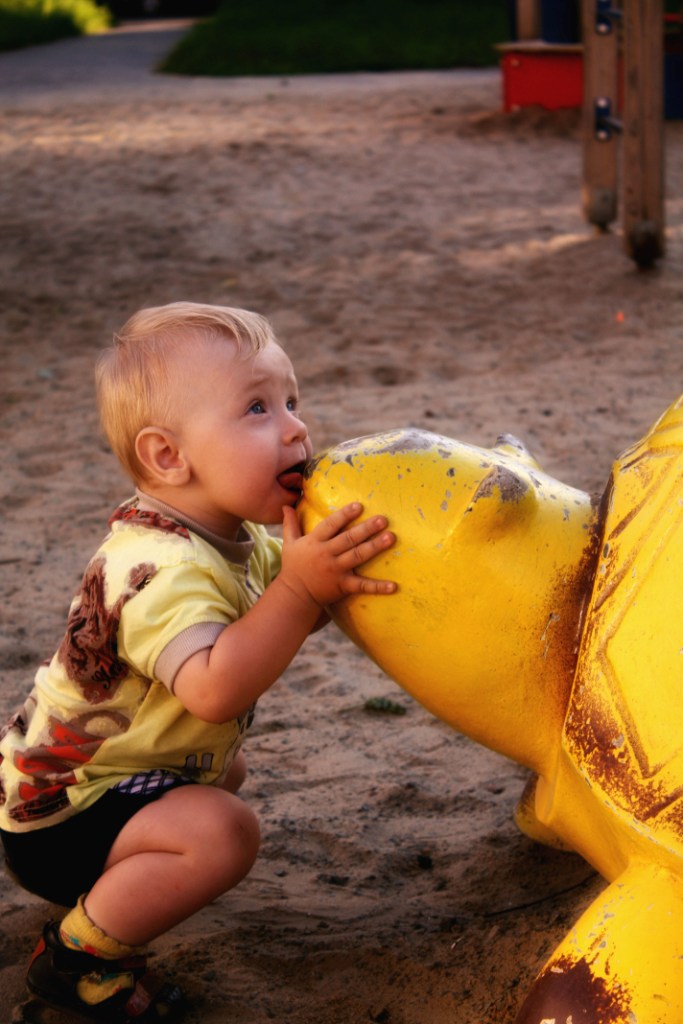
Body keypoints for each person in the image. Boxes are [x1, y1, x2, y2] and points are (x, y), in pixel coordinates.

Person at [0, 302, 397, 1023]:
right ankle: (80, 959)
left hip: (109, 778)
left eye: (290, 400)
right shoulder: (158, 570)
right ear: (167, 457)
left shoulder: (235, 534)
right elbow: (215, 689)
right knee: (221, 831)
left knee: (226, 775)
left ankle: (124, 891)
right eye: (255, 407)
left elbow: (292, 606)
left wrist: (318, 579)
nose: (295, 426)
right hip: (62, 815)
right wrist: (303, 587)